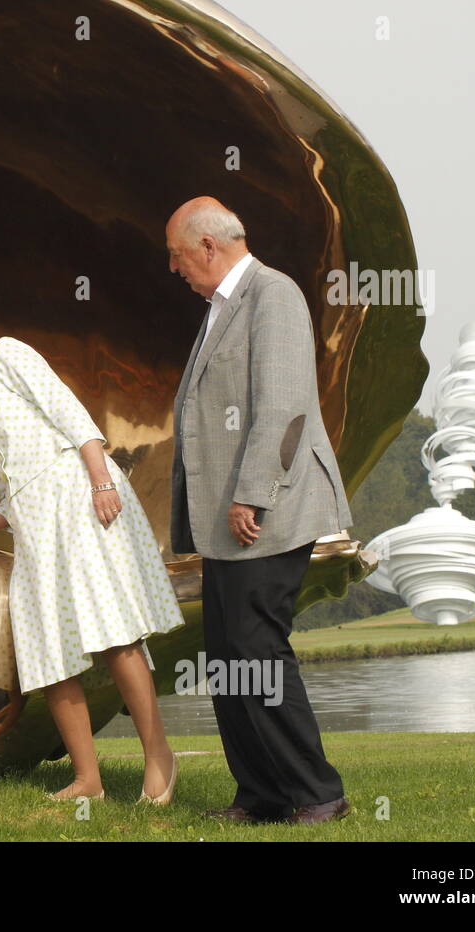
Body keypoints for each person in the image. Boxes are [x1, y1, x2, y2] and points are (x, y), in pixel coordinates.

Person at [0, 310, 186, 804]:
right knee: (46, 647)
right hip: (36, 527)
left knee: (114, 630)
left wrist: (101, 481)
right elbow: (14, 494)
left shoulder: (7, 354)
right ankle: (87, 781)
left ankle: (159, 754)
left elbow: (72, 415)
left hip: (79, 500)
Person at [166, 196, 355, 825]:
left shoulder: (274, 295)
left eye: (177, 256)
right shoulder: (224, 305)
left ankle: (319, 794)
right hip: (230, 521)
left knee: (257, 653)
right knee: (227, 661)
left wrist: (253, 492)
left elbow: (283, 407)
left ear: (209, 247)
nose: (175, 269)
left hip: (265, 512)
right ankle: (262, 795)